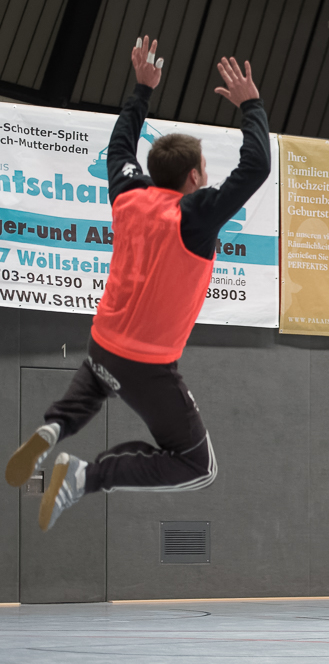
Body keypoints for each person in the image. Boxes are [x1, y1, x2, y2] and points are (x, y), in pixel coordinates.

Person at [4, 36, 271, 532]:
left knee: (99, 377)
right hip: (148, 363)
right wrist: (250, 105)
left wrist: (142, 90)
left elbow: (120, 146)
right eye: (204, 171)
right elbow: (256, 167)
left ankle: (55, 426)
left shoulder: (128, 193)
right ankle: (86, 475)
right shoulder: (194, 216)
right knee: (197, 466)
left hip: (104, 341)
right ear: (194, 178)